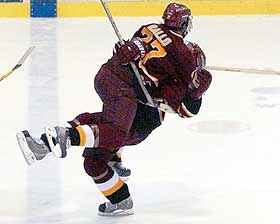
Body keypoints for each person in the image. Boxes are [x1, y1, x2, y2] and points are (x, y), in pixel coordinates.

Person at [16, 2, 212, 216]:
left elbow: (130, 50)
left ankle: (119, 198)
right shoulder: (177, 66)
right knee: (113, 131)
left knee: (93, 158)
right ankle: (69, 141)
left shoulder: (151, 29)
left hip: (115, 86)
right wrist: (195, 92)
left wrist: (193, 92)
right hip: (128, 102)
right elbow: (186, 109)